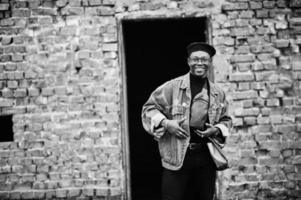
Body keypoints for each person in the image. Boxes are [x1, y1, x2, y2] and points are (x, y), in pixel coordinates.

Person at [141, 42, 232, 200]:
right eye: (195, 59)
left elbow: (226, 119)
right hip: (176, 154)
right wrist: (166, 123)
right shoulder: (172, 87)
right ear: (188, 61)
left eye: (204, 59)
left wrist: (216, 129)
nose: (200, 63)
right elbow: (148, 109)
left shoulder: (218, 93)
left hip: (205, 157)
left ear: (210, 62)